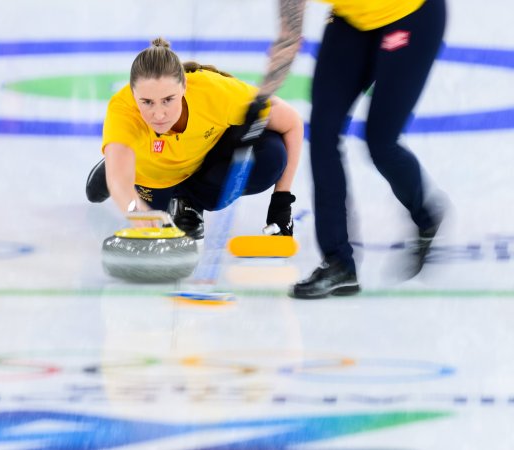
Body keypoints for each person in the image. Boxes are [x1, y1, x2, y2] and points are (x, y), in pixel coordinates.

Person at [285, 0, 448, 299]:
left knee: (381, 143)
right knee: (323, 131)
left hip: (409, 14)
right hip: (350, 20)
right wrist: (288, 36)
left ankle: (426, 215)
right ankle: (338, 263)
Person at [85, 38, 303, 242]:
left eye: (168, 100)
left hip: (200, 162)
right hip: (153, 174)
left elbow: (292, 122)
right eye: (147, 102)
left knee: (271, 154)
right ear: (133, 95)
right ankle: (120, 161)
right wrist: (133, 207)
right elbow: (123, 189)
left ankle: (189, 200)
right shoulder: (122, 109)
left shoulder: (214, 92)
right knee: (120, 190)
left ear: (184, 87)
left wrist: (281, 202)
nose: (159, 114)